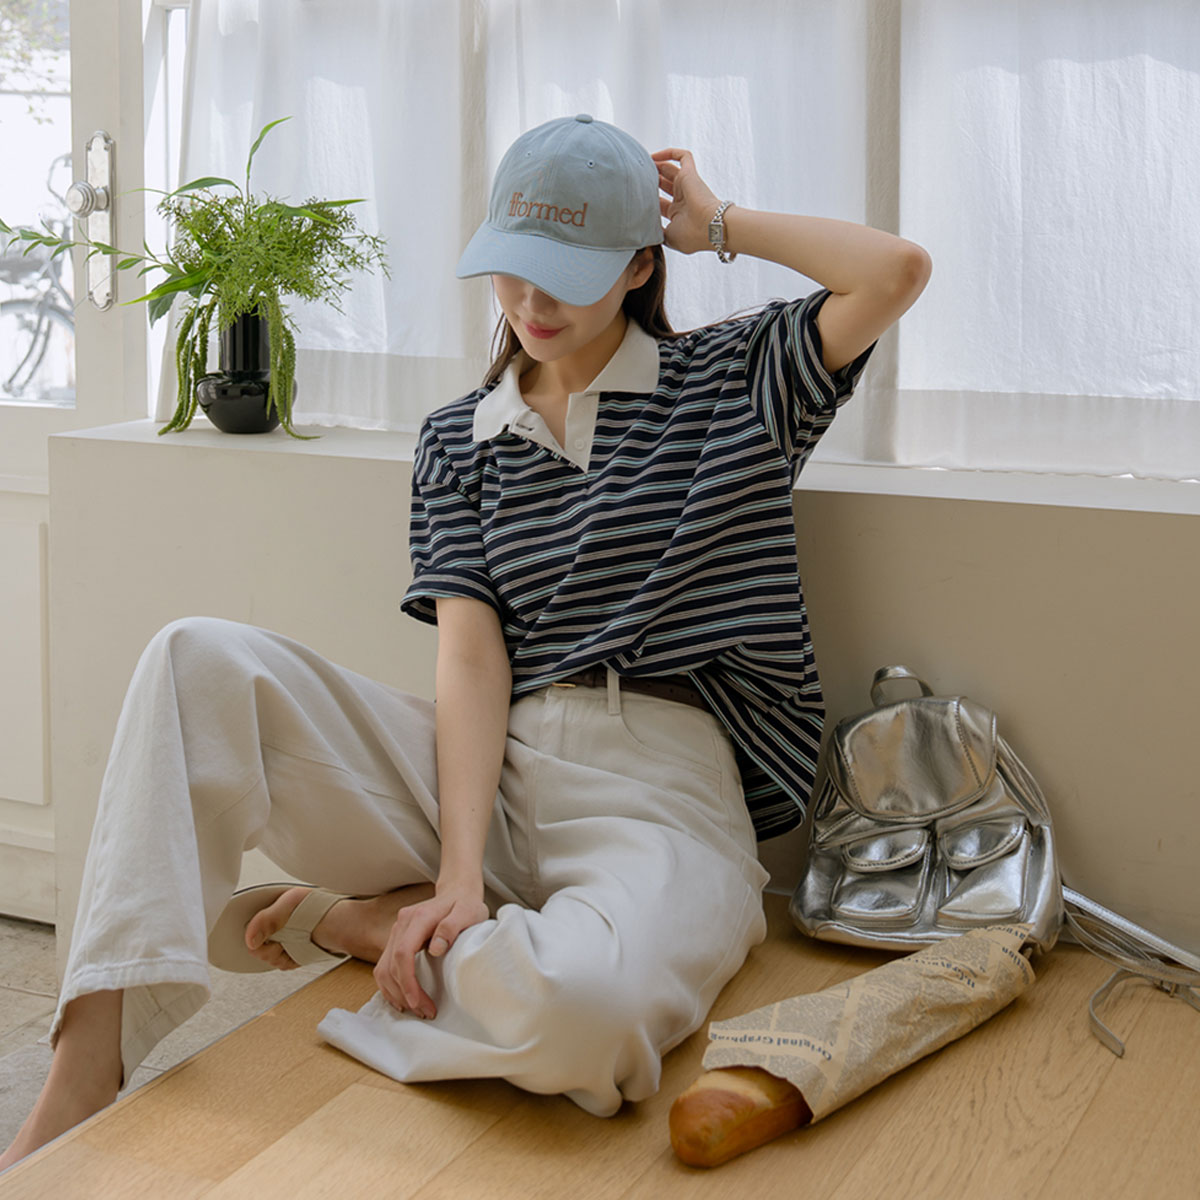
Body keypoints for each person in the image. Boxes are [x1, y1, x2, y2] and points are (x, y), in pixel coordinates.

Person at [0, 114, 929, 1170]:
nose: (531, 303)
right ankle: (86, 1068)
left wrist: (717, 222)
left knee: (583, 1018)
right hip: (487, 771)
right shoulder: (459, 437)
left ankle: (356, 927)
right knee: (195, 659)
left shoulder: (732, 381)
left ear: (639, 266)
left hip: (660, 797)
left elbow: (894, 272)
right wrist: (454, 874)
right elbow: (472, 659)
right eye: (512, 268)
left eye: (566, 276)